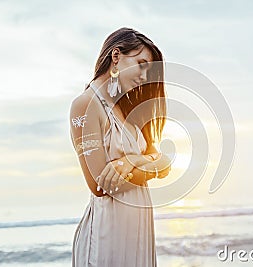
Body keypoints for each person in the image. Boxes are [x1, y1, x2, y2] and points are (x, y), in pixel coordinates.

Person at [69, 27, 171, 266]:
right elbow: (99, 185)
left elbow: (164, 159)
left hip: (138, 233)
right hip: (108, 234)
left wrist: (131, 162)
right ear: (116, 56)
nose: (145, 76)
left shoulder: (125, 108)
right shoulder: (85, 105)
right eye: (141, 63)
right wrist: (149, 165)